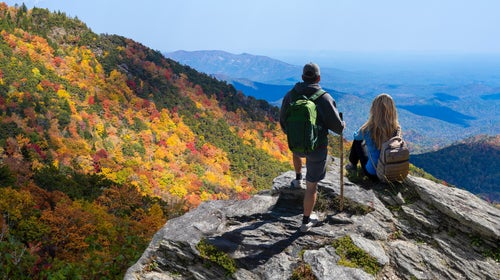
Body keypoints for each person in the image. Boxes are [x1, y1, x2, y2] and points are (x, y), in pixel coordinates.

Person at [279, 62, 344, 232]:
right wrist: (342, 123)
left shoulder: (290, 95)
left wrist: (294, 134)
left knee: (297, 151)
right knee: (312, 187)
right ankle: (305, 221)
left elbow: (283, 122)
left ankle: (297, 178)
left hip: (296, 146)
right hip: (317, 148)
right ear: (318, 78)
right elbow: (338, 127)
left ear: (302, 77)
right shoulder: (324, 98)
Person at [346, 93, 401, 181]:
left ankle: (352, 165)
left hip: (373, 173)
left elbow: (356, 136)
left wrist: (364, 126)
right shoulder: (396, 128)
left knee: (357, 142)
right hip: (390, 172)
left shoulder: (369, 128)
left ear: (374, 109)